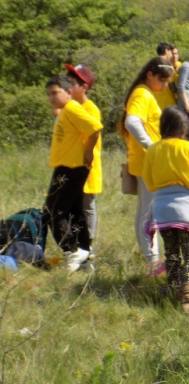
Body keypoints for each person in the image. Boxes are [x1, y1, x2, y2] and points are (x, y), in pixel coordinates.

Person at [142, 107, 189, 315]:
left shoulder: (153, 150)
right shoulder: (188, 149)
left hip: (162, 210)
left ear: (161, 128)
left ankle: (173, 294)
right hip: (185, 211)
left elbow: (149, 184)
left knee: (172, 254)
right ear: (183, 129)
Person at [43, 75, 103, 272]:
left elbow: (94, 128)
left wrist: (88, 152)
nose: (50, 97)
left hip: (72, 167)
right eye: (48, 94)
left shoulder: (73, 109)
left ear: (69, 92)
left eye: (55, 93)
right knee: (75, 212)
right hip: (67, 166)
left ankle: (70, 250)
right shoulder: (65, 111)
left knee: (54, 210)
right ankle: (84, 257)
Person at [121, 57, 174, 275]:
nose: (164, 85)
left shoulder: (143, 92)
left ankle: (151, 259)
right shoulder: (142, 93)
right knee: (149, 214)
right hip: (147, 162)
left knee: (145, 212)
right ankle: (153, 261)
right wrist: (151, 146)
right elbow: (131, 122)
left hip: (144, 161)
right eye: (162, 80)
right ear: (150, 74)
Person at [64, 64, 102, 259]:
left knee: (87, 206)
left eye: (71, 84)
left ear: (84, 87)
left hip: (86, 167)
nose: (67, 89)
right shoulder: (71, 108)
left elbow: (91, 134)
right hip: (71, 167)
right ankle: (77, 245)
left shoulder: (90, 109)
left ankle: (89, 246)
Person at [153, 43, 179, 110]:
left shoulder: (153, 65)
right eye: (170, 52)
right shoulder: (167, 66)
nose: (171, 56)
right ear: (166, 51)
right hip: (169, 104)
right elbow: (172, 87)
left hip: (156, 104)